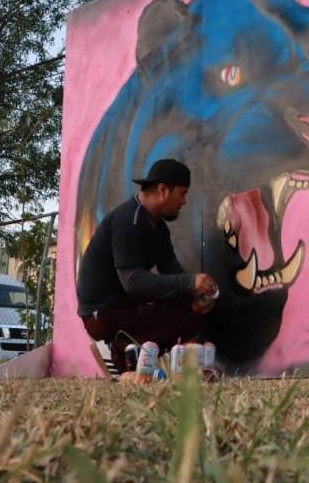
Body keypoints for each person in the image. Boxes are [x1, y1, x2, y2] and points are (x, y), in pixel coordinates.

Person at [76, 158, 217, 372]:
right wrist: (190, 282)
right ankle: (118, 349)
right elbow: (132, 281)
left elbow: (171, 270)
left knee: (192, 309)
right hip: (102, 313)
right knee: (183, 316)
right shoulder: (128, 223)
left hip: (126, 302)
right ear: (163, 190)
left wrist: (196, 294)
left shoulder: (158, 227)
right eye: (182, 192)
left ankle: (138, 354)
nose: (184, 201)